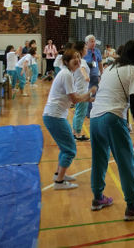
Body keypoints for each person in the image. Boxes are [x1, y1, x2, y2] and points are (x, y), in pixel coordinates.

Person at [89, 40, 134, 219]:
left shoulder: (109, 68)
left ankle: (98, 198)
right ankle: (132, 206)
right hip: (112, 118)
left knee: (99, 159)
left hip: (95, 118)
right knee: (126, 162)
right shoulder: (133, 70)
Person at [43, 49, 96, 190]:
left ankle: (58, 174)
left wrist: (89, 98)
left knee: (65, 147)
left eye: (79, 58)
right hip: (54, 116)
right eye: (74, 59)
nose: (78, 61)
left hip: (54, 115)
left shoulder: (68, 74)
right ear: (66, 62)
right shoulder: (66, 75)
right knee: (70, 149)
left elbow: (73, 99)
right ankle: (59, 182)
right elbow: (75, 99)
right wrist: (89, 93)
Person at [72, 41, 91, 141]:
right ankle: (78, 134)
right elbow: (82, 69)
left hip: (78, 90)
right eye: (85, 48)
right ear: (81, 50)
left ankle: (75, 133)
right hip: (82, 91)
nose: (86, 49)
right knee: (81, 113)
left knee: (78, 112)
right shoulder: (81, 61)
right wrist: (86, 76)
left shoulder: (77, 60)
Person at [83, 35, 103, 116]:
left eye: (94, 41)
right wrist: (91, 64)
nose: (94, 43)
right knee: (88, 94)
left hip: (95, 76)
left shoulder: (97, 51)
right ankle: (88, 113)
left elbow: (100, 63)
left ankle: (94, 111)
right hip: (86, 77)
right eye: (91, 41)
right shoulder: (84, 51)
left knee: (96, 94)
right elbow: (82, 64)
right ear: (86, 43)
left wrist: (102, 74)